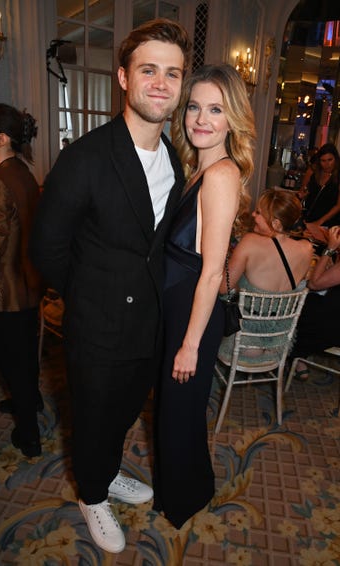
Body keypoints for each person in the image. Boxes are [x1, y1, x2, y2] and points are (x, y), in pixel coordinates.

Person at [30, 18, 192, 554]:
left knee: (124, 413)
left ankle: (107, 470)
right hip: (98, 325)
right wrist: (91, 299)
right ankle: (91, 494)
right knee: (95, 417)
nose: (161, 83)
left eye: (172, 73)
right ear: (123, 77)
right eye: (149, 70)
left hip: (147, 325)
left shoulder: (172, 156)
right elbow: (47, 248)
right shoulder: (87, 156)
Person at [153, 63, 256, 529]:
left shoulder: (220, 175)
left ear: (232, 118)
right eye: (195, 106)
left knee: (180, 410)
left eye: (215, 109)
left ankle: (185, 497)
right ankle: (187, 486)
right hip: (181, 303)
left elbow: (213, 270)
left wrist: (191, 343)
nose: (201, 118)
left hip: (195, 308)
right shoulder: (200, 167)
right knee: (176, 410)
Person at [0, 103, 44, 458]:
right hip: (27, 281)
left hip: (8, 289)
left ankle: (29, 435)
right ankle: (31, 400)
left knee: (9, 358)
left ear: (1, 139)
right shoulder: (22, 170)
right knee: (20, 354)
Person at [218, 188, 313, 363]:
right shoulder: (307, 248)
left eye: (259, 212)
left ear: (276, 223)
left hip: (245, 342)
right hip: (279, 343)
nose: (253, 214)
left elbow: (224, 287)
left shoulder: (250, 242)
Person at [290, 225, 340, 381]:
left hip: (332, 329)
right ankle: (299, 358)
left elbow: (314, 283)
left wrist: (330, 248)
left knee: (295, 303)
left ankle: (292, 354)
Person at [300, 142, 340, 227]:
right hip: (308, 218)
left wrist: (319, 222)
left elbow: (338, 206)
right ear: (319, 161)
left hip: (329, 222)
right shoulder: (312, 172)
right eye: (323, 160)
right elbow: (302, 192)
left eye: (330, 160)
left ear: (335, 159)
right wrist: (303, 194)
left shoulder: (338, 176)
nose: (327, 164)